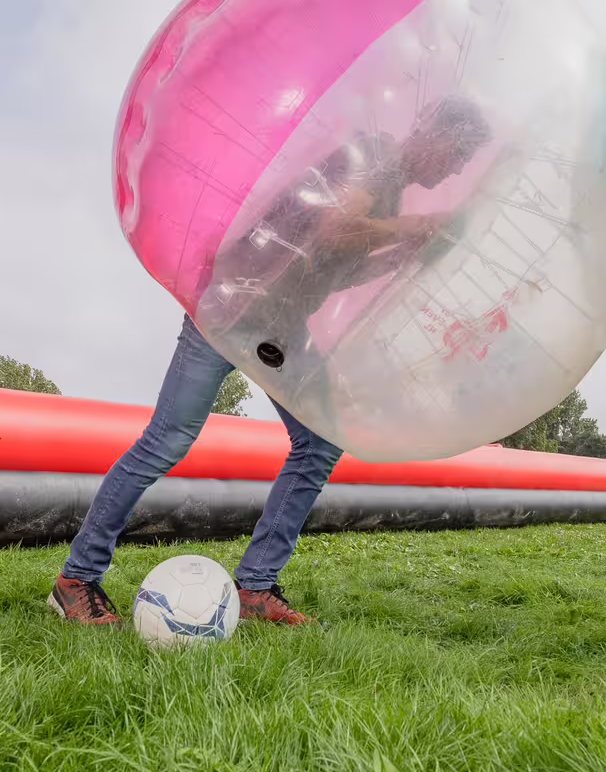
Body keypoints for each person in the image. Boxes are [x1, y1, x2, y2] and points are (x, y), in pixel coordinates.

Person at [49, 96, 493, 626]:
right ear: (436, 131)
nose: (456, 169)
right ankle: (77, 578)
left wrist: (408, 252)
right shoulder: (376, 155)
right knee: (166, 441)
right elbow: (334, 229)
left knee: (320, 442)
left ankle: (256, 586)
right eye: (460, 154)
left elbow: (333, 267)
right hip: (233, 310)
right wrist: (415, 229)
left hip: (281, 329)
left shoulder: (392, 192)